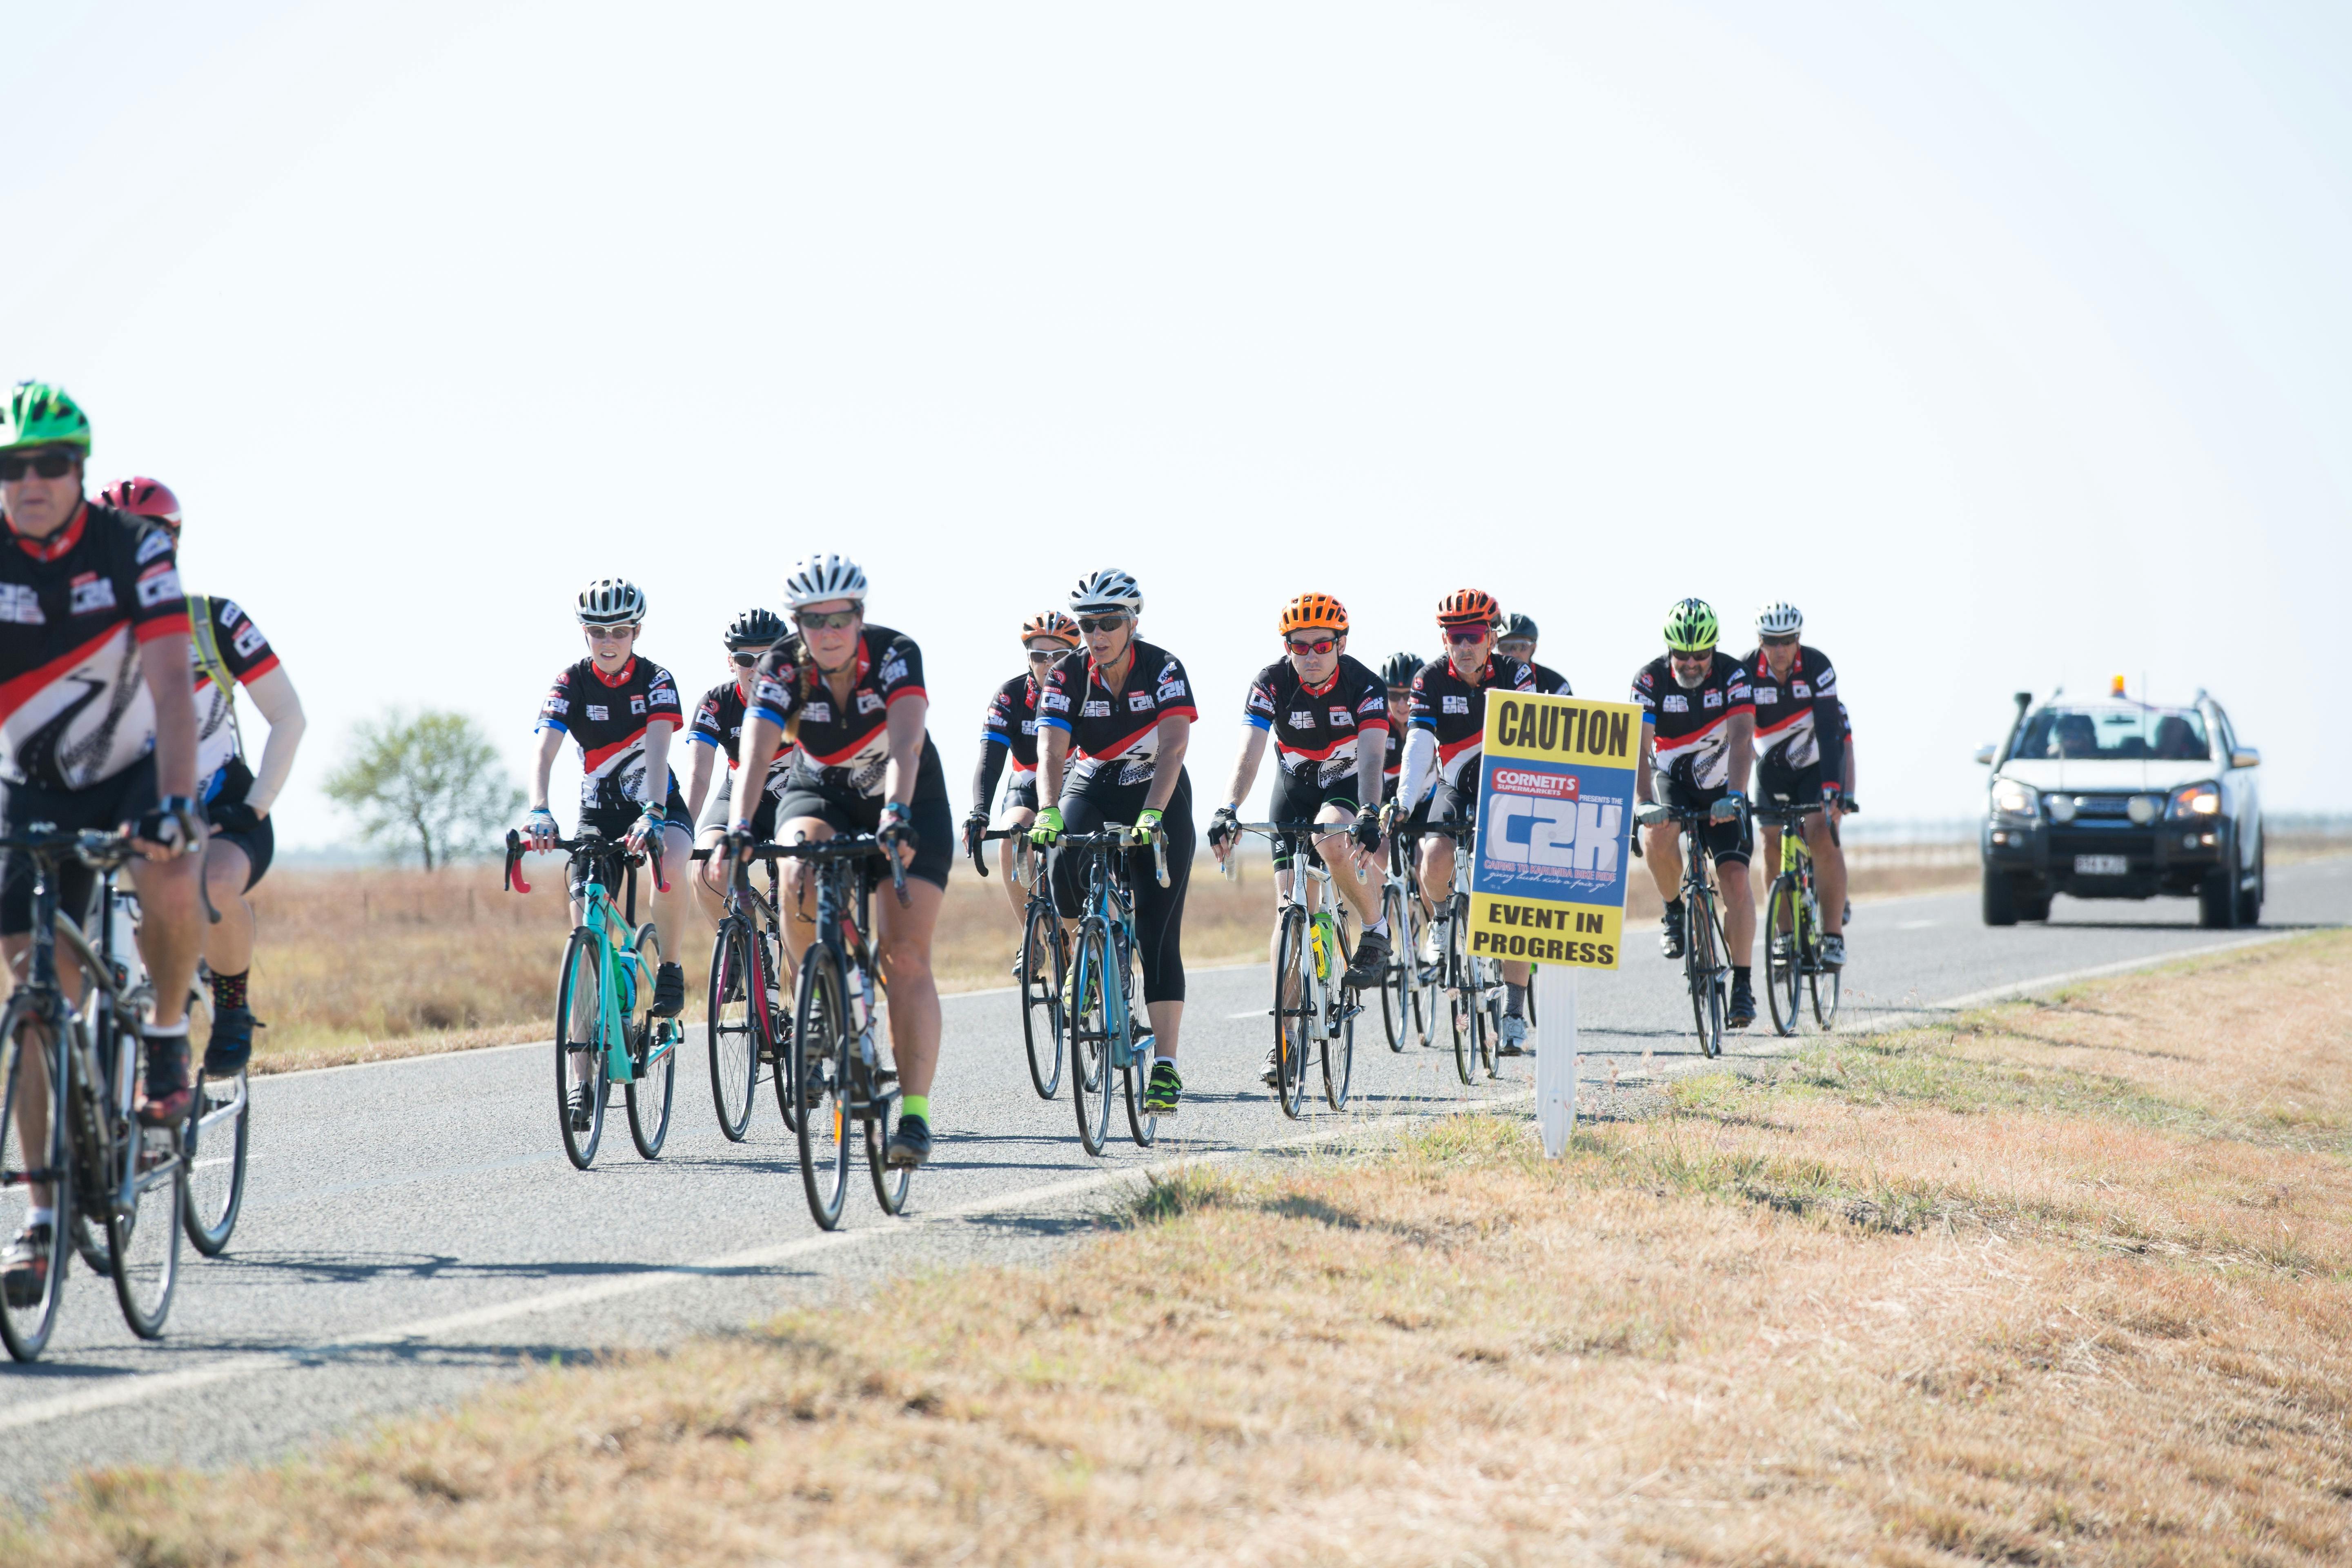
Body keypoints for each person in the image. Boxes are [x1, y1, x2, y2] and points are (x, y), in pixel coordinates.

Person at [0, 383, 205, 1310]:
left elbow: (171, 684)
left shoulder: (132, 547)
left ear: (80, 470)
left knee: (172, 868)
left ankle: (164, 1036)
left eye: (51, 463)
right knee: (33, 1000)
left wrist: (170, 803)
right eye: (13, 465)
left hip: (129, 766)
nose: (32, 480)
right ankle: (41, 1214)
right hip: (29, 780)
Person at [730, 553, 955, 1169]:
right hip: (822, 791)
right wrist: (740, 826)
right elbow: (755, 752)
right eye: (813, 620)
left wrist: (898, 810)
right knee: (795, 870)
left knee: (905, 956)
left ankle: (914, 1116)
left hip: (905, 795)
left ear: (860, 616)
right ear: (797, 624)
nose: (828, 632)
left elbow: (908, 741)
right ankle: (817, 1003)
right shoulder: (781, 667)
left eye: (841, 618)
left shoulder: (894, 655)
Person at [100, 477, 307, 1079]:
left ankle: (232, 1005)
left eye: (151, 540)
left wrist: (259, 804)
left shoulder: (214, 620)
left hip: (221, 804)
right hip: (126, 810)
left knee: (212, 884)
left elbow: (289, 716)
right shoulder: (81, 636)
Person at [524, 577, 692, 1132]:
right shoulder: (570, 682)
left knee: (671, 860)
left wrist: (653, 810)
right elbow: (544, 748)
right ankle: (580, 1082)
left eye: (619, 630)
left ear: (636, 632)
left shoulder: (657, 680)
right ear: (586, 634)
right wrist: (540, 809)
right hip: (598, 817)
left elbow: (662, 748)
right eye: (597, 631)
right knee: (586, 948)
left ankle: (667, 967)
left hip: (656, 804)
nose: (608, 640)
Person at [1028, 569, 1197, 1114]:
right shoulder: (1066, 675)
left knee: (1156, 930)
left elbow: (1173, 748)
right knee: (1062, 859)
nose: (1096, 635)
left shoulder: (1163, 668)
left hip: (1156, 784)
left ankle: (1166, 1067)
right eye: (1087, 625)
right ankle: (1084, 955)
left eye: (1108, 623)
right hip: (1094, 780)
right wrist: (1049, 810)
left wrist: (1153, 815)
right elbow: (1052, 753)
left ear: (1132, 623)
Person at [1206, 594, 1392, 1086]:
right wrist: (1228, 808)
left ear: (1341, 643)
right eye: (1299, 645)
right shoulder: (1270, 683)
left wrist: (1370, 810)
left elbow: (1373, 757)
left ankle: (1375, 928)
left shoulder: (1364, 684)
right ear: (1287, 647)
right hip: (1292, 788)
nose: (1310, 654)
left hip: (1346, 784)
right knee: (1288, 908)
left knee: (1328, 839)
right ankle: (1285, 1037)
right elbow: (1249, 753)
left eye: (1322, 644)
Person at [1383, 589, 1540, 1054]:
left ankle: (1513, 1011)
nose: (1464, 646)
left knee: (1512, 901)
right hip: (1456, 786)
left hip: (1510, 784)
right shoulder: (1429, 679)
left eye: (1473, 635)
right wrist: (1404, 802)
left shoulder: (1517, 674)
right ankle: (1443, 919)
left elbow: (1535, 738)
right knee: (1432, 858)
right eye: (1455, 636)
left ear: (1492, 636)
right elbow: (1416, 746)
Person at [1632, 597, 1758, 1028]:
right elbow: (1639, 747)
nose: (1691, 663)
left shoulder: (1733, 675)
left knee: (1736, 880)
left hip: (1724, 784)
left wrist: (1738, 795)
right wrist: (1644, 801)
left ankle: (1742, 983)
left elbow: (1743, 739)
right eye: (1682, 655)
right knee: (1657, 834)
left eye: (1701, 655)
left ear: (1714, 648)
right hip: (1674, 782)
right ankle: (1673, 909)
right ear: (1669, 649)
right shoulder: (1649, 679)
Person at [1741, 600, 1847, 969]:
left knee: (1821, 832)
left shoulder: (1817, 666)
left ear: (1798, 640)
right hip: (1771, 771)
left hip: (1814, 768)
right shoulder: (1745, 671)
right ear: (1760, 641)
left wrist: (1836, 787)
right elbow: (1734, 737)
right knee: (1770, 841)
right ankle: (1784, 936)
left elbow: (1832, 732)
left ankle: (1833, 936)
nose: (1780, 649)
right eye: (1771, 642)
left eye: (1788, 640)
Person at [963, 611, 1079, 933]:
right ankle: (1032, 935)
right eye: (1040, 655)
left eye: (1060, 656)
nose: (1049, 663)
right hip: (1027, 786)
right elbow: (989, 761)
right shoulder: (1010, 696)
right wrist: (979, 812)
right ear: (1028, 658)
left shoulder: (1087, 692)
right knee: (1013, 835)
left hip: (1077, 787)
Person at [686, 607, 791, 931]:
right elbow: (698, 776)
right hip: (738, 800)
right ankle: (738, 943)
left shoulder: (804, 698)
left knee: (797, 910)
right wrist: (683, 831)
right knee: (705, 867)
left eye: (768, 658)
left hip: (794, 803)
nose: (757, 668)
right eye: (746, 659)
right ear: (731, 663)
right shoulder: (716, 703)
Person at [1494, 612, 1574, 697]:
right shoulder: (1481, 679)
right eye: (1505, 647)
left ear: (1534, 648)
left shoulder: (1557, 685)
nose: (1514, 653)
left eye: (1522, 646)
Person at [1376, 651, 1419, 806]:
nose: (1402, 704)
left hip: (1425, 801)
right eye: (1393, 696)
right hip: (1385, 800)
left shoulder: (1433, 721)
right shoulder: (1378, 722)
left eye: (1409, 695)